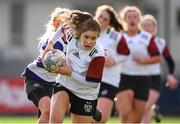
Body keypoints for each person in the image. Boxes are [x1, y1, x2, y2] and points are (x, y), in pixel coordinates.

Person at [47, 11, 105, 123]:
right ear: (79, 34)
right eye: (86, 37)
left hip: (86, 93)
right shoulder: (72, 35)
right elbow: (63, 28)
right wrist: (51, 43)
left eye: (93, 38)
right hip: (65, 84)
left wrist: (69, 72)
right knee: (54, 121)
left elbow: (93, 83)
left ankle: (92, 113)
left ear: (98, 37)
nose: (89, 41)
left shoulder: (98, 54)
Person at [21, 7, 70, 123]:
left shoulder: (72, 44)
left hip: (54, 84)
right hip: (35, 79)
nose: (69, 27)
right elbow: (47, 52)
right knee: (47, 111)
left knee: (49, 117)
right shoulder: (51, 39)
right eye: (66, 23)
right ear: (57, 23)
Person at [115, 6, 161, 123]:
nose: (132, 19)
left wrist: (144, 60)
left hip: (142, 79)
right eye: (129, 16)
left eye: (135, 17)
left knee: (136, 119)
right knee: (125, 112)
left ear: (139, 20)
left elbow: (157, 58)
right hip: (123, 77)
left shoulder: (146, 37)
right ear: (124, 20)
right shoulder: (119, 37)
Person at [94, 5, 129, 123]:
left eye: (105, 19)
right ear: (96, 16)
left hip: (109, 80)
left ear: (110, 22)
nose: (101, 20)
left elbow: (127, 53)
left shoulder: (115, 36)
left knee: (100, 118)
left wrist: (114, 61)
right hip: (88, 79)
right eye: (100, 16)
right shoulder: (87, 32)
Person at [140, 14, 178, 123]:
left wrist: (170, 75)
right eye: (144, 25)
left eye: (149, 25)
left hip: (154, 78)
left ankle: (153, 107)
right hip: (139, 77)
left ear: (154, 28)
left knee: (145, 107)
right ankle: (153, 109)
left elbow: (170, 61)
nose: (147, 28)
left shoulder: (160, 42)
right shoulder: (136, 40)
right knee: (144, 109)